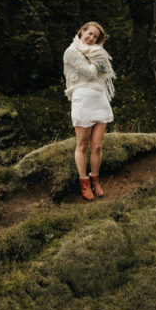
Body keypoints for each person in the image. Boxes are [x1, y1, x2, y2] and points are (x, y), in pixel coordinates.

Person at [63, 21, 116, 200]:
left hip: (99, 99)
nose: (91, 38)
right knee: (82, 145)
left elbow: (105, 70)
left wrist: (99, 65)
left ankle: (95, 179)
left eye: (95, 37)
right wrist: (97, 65)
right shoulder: (71, 52)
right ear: (82, 31)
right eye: (90, 33)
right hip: (83, 100)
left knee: (98, 146)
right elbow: (88, 73)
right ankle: (83, 181)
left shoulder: (98, 52)